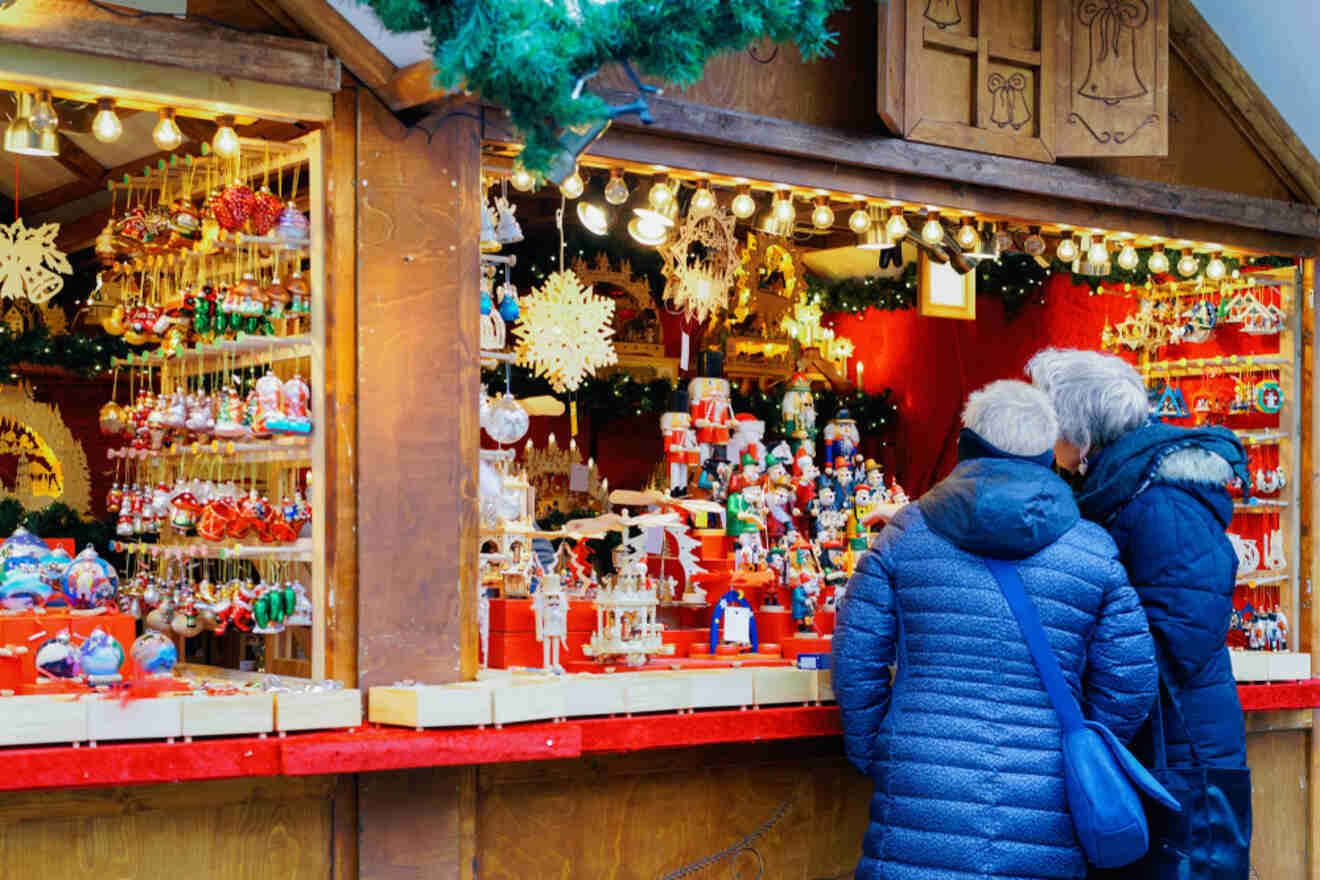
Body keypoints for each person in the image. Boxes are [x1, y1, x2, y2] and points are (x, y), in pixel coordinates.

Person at [834, 379, 1156, 880]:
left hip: (924, 777)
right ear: (1047, 454)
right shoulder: (1093, 551)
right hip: (1046, 790)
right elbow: (1131, 682)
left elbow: (856, 659)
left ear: (968, 445)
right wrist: (1079, 750)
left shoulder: (905, 535)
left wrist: (878, 748)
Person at [1027, 348, 1252, 869]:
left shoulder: (1159, 499)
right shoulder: (1120, 487)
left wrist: (1084, 645)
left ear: (1080, 428)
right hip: (1159, 751)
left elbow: (1185, 631)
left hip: (1185, 759)